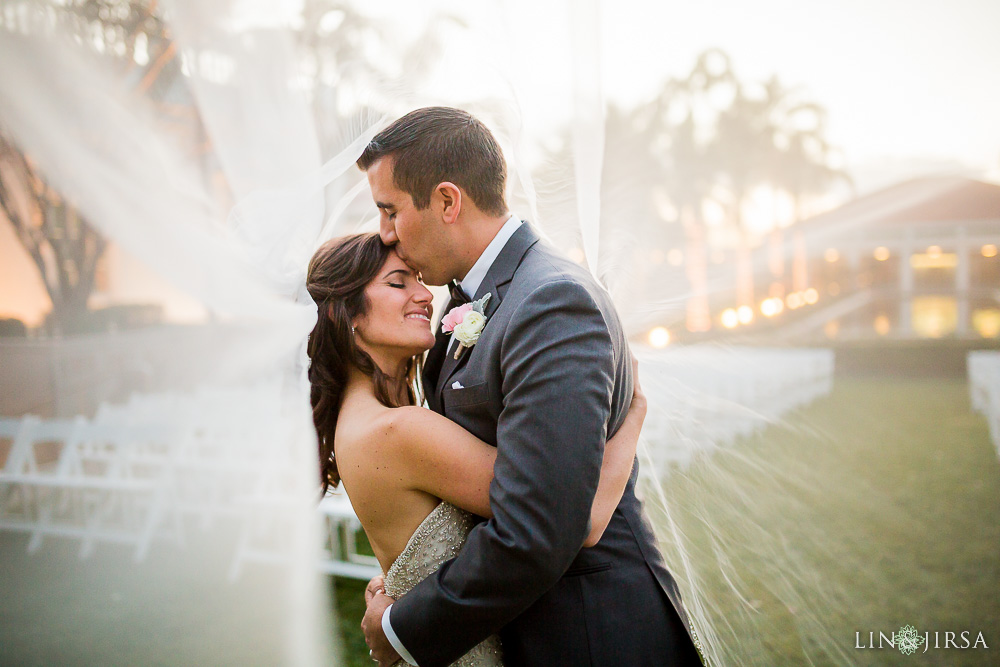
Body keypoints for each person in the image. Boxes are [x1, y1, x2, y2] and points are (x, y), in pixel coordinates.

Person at [356, 107, 705, 667]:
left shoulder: (551, 302)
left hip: (590, 635)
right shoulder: (471, 299)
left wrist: (404, 627)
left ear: (448, 201)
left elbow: (537, 529)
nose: (385, 233)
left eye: (390, 210)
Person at [306, 233, 647, 666]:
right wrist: (634, 413)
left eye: (416, 279)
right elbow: (581, 519)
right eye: (397, 284)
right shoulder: (398, 430)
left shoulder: (359, 422)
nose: (424, 295)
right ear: (347, 316)